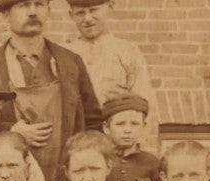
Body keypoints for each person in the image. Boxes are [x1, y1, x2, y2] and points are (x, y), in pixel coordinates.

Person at [0, 0, 102, 181]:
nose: (33, 12)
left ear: (49, 11)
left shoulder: (70, 63)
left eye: (39, 4)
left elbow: (94, 122)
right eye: (24, 5)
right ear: (6, 15)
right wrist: (11, 132)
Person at [65, 0, 156, 152]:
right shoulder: (63, 54)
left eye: (94, 10)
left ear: (110, 7)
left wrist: (140, 151)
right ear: (71, 15)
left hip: (119, 148)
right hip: (77, 148)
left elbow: (145, 107)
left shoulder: (127, 51)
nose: (87, 19)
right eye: (80, 13)